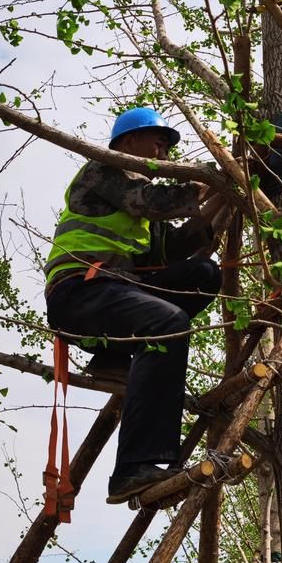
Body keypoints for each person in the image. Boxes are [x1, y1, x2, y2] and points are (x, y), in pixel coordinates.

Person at [44, 107, 226, 504]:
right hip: (79, 292)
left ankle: (114, 354)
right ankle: (135, 467)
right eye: (156, 138)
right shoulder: (104, 170)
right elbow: (156, 200)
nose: (163, 149)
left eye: (166, 142)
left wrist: (225, 199)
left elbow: (175, 248)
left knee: (203, 275)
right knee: (169, 324)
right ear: (127, 142)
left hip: (120, 293)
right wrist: (213, 177)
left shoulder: (144, 215)